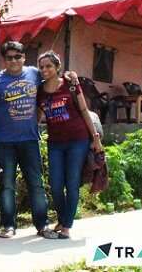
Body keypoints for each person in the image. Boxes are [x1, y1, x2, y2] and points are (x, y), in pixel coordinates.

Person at [0, 41, 58, 239]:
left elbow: (52, 81)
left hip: (30, 140)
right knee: (7, 185)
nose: (14, 61)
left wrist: (71, 78)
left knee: (36, 184)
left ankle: (42, 225)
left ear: (24, 57)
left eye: (18, 56)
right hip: (4, 142)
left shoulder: (35, 74)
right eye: (9, 57)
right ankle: (8, 225)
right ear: (4, 60)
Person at [37, 50, 103, 239]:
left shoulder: (70, 84)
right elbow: (38, 116)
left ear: (57, 67)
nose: (44, 70)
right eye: (41, 67)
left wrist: (95, 138)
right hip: (55, 143)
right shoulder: (40, 90)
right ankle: (62, 218)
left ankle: (66, 226)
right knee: (56, 184)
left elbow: (83, 109)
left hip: (78, 140)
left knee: (72, 182)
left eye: (49, 66)